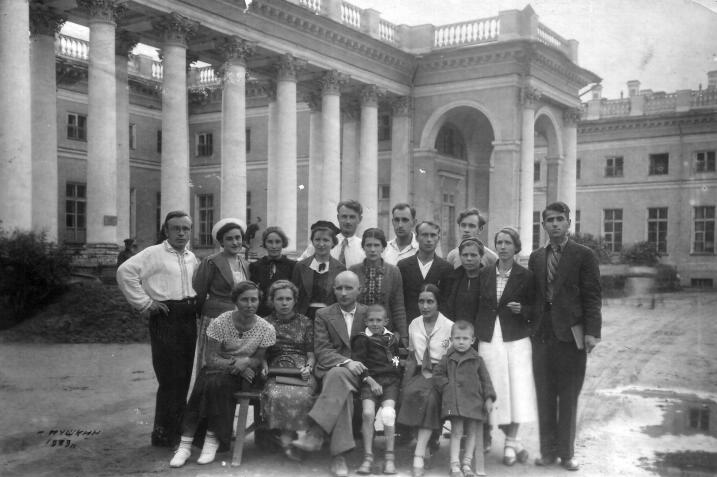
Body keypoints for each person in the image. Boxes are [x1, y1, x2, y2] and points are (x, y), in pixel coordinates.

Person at [169, 281, 276, 467]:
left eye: (254, 300)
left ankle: (191, 442)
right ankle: (202, 442)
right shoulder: (221, 322)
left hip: (246, 377)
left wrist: (246, 362)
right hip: (219, 369)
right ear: (235, 301)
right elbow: (211, 358)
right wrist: (237, 363)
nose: (250, 304)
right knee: (214, 381)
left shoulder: (266, 328)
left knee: (212, 381)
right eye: (244, 300)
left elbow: (258, 360)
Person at [529, 202, 602, 471]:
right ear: (543, 225)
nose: (555, 224)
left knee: (569, 395)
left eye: (560, 219)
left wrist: (592, 332)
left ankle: (567, 453)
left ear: (569, 223)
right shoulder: (537, 257)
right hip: (542, 335)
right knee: (544, 394)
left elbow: (592, 295)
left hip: (571, 335)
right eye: (550, 220)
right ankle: (547, 452)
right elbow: (533, 296)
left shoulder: (584, 255)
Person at [116, 210, 199, 448]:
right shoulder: (154, 253)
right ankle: (163, 434)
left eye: (186, 228)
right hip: (166, 317)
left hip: (188, 317)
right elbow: (124, 273)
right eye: (176, 228)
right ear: (166, 231)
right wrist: (145, 303)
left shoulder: (191, 257)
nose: (181, 233)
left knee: (183, 376)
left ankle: (179, 429)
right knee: (169, 377)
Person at [290, 271, 368, 477]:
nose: (343, 293)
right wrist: (347, 362)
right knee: (339, 381)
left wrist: (356, 364)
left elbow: (377, 347)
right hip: (332, 371)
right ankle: (338, 456)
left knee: (339, 379)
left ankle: (316, 432)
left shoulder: (369, 314)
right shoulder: (323, 314)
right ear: (333, 290)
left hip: (362, 372)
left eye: (349, 288)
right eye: (339, 288)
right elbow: (322, 350)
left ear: (359, 290)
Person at [476, 226, 537, 466]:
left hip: (516, 340)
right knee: (495, 391)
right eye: (499, 242)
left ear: (516, 247)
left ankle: (511, 443)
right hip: (490, 339)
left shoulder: (526, 276)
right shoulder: (484, 274)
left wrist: (523, 310)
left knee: (516, 391)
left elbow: (537, 309)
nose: (502, 247)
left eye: (507, 243)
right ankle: (514, 442)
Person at [397, 284, 454, 477]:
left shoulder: (449, 326)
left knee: (430, 398)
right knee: (409, 393)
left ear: (438, 303)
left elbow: (452, 359)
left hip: (441, 373)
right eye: (421, 301)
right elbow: (412, 357)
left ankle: (419, 453)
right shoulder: (414, 324)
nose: (425, 306)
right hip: (420, 372)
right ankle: (427, 443)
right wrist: (405, 383)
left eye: (430, 301)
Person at [260, 280, 317, 461]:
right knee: (276, 394)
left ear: (295, 300)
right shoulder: (265, 323)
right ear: (272, 300)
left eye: (288, 299)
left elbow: (311, 354)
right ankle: (286, 437)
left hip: (300, 370)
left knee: (303, 395)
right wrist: (263, 365)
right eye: (279, 299)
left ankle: (298, 437)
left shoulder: (306, 322)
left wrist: (309, 367)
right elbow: (261, 354)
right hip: (277, 369)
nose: (284, 303)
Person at [433, 320, 496, 477]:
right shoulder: (448, 358)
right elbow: (437, 375)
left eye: (465, 338)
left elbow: (486, 380)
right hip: (455, 401)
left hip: (474, 401)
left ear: (472, 340)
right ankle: (454, 465)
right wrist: (448, 387)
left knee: (472, 432)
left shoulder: (477, 359)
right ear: (451, 339)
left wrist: (488, 398)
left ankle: (467, 464)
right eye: (457, 338)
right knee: (457, 431)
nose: (461, 342)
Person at [351, 304, 402, 475]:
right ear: (365, 321)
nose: (374, 323)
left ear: (385, 321)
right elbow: (358, 364)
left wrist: (396, 378)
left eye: (378, 320)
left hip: (390, 382)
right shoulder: (362, 339)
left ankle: (389, 457)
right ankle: (368, 456)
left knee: (388, 413)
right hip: (369, 381)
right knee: (367, 414)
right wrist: (371, 381)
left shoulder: (392, 338)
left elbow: (395, 362)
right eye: (371, 320)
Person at [193, 218, 250, 371]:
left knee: (234, 361)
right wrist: (200, 315)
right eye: (229, 239)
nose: (235, 242)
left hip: (240, 319)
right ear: (221, 242)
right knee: (213, 361)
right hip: (215, 317)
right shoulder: (211, 262)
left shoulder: (245, 264)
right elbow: (199, 293)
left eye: (238, 238)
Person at [350, 228, 408, 347]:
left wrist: (403, 334)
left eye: (376, 245)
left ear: (383, 247)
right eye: (368, 245)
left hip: (384, 329)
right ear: (363, 247)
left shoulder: (393, 272)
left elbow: (398, 305)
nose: (372, 249)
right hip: (358, 329)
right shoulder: (353, 271)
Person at [398, 221, 454, 322]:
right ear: (417, 238)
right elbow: (399, 301)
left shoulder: (447, 268)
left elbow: (446, 304)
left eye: (433, 235)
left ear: (438, 238)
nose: (429, 240)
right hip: (409, 324)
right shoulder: (403, 266)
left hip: (436, 325)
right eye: (424, 235)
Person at [292, 220, 346, 318]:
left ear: (333, 243)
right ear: (312, 242)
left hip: (330, 317)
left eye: (326, 240)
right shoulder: (300, 266)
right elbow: (293, 294)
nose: (321, 244)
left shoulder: (340, 268)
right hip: (303, 316)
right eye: (317, 240)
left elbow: (342, 297)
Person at [299, 200, 366, 268]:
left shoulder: (364, 249)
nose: (348, 221)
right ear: (338, 218)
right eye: (344, 216)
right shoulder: (321, 243)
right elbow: (300, 265)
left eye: (352, 217)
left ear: (360, 219)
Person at [250, 226, 297, 317]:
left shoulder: (293, 266)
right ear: (265, 244)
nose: (274, 246)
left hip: (286, 313)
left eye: (277, 242)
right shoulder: (256, 266)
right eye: (270, 242)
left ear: (283, 243)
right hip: (262, 313)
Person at [446, 237, 485, 324]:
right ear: (460, 256)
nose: (469, 259)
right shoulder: (452, 279)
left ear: (481, 256)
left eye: (473, 255)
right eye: (465, 255)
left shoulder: (488, 279)